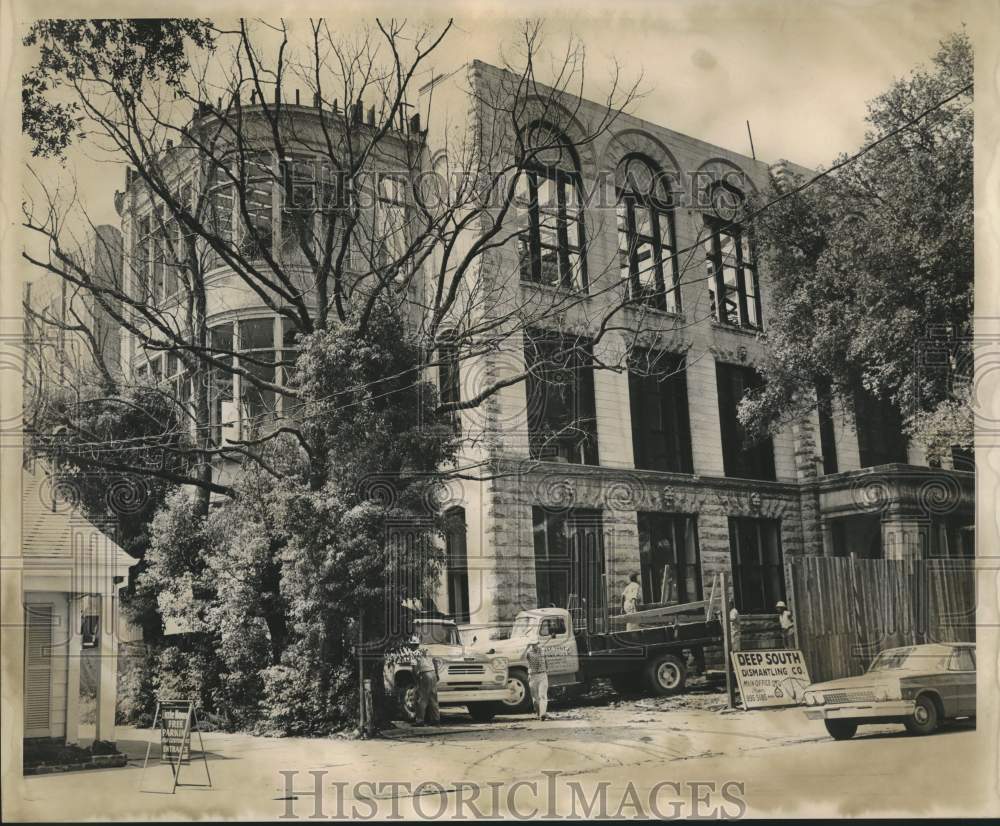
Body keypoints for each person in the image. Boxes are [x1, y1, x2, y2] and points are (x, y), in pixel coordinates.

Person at [411, 640, 440, 726]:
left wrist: (416, 680)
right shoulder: (427, 650)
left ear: (412, 645)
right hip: (433, 673)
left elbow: (414, 668)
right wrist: (437, 674)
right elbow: (435, 662)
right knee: (433, 698)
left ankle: (420, 721)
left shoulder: (414, 653)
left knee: (422, 698)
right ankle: (436, 720)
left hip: (425, 674)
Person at [526, 641, 549, 720]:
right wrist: (526, 648)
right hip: (533, 676)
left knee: (542, 695)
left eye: (535, 644)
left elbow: (546, 662)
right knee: (535, 699)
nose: (534, 646)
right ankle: (539, 713)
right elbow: (521, 657)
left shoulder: (543, 650)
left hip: (542, 675)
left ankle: (543, 714)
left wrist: (545, 671)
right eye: (532, 644)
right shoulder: (528, 653)